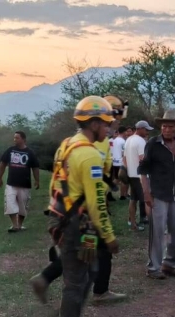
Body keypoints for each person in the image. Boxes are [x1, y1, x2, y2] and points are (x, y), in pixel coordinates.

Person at [28, 98, 128, 305]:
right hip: (84, 212)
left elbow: (59, 178)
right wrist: (108, 233)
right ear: (96, 123)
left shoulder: (71, 142)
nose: (114, 123)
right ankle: (97, 293)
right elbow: (92, 186)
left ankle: (48, 279)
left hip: (71, 209)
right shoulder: (92, 145)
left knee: (82, 257)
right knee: (89, 257)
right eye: (110, 119)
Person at [44, 96, 121, 317]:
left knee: (89, 273)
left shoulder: (66, 145)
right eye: (107, 124)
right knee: (76, 281)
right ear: (95, 122)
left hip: (74, 222)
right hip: (77, 225)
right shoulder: (89, 155)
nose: (109, 128)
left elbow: (55, 185)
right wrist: (109, 237)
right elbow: (97, 199)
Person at [140, 109, 175, 280]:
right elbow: (143, 170)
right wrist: (147, 193)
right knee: (158, 231)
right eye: (164, 126)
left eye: (170, 126)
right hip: (159, 194)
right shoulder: (153, 144)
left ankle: (170, 263)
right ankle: (153, 268)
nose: (167, 129)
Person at [0, 131, 40, 232]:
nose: (14, 140)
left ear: (24, 140)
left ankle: (19, 225)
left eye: (17, 138)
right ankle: (15, 225)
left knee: (22, 207)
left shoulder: (30, 152)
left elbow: (35, 167)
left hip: (25, 184)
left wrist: (37, 180)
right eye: (14, 138)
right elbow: (3, 164)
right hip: (11, 183)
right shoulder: (10, 150)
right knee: (10, 204)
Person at [124, 120, 153, 231]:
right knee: (147, 200)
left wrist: (129, 171)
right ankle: (154, 225)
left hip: (131, 175)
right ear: (140, 128)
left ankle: (132, 224)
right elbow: (143, 160)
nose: (146, 132)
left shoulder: (128, 140)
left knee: (133, 199)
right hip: (141, 176)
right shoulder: (141, 141)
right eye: (145, 130)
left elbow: (125, 159)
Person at [111, 127, 126, 198]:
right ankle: (122, 196)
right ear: (124, 132)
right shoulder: (123, 141)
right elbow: (124, 153)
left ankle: (107, 192)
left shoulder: (114, 140)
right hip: (120, 163)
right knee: (123, 179)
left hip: (114, 162)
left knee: (117, 179)